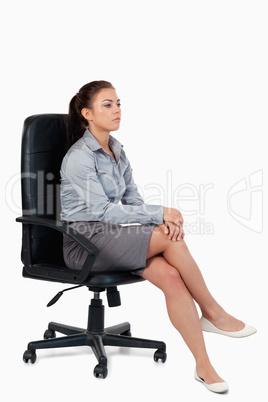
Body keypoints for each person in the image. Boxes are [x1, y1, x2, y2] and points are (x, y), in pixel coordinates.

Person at [60, 80, 256, 393]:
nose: (117, 110)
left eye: (119, 103)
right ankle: (213, 313)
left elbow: (132, 200)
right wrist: (158, 216)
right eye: (107, 104)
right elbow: (103, 211)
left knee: (172, 277)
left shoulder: (117, 150)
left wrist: (156, 219)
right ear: (87, 114)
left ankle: (204, 366)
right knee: (168, 236)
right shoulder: (79, 157)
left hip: (114, 238)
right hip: (85, 243)